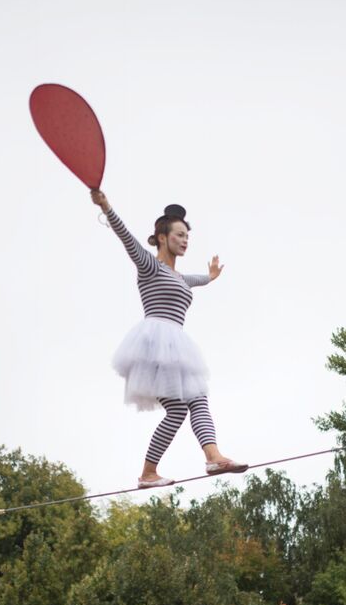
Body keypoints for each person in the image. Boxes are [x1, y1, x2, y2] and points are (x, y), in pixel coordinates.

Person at [90, 189, 244, 488]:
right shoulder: (150, 266)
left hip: (176, 345)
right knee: (181, 407)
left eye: (188, 236)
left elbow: (194, 281)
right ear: (162, 237)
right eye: (180, 234)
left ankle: (211, 457)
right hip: (155, 344)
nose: (185, 240)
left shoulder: (180, 278)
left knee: (194, 400)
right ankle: (151, 472)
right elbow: (127, 239)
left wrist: (210, 277)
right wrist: (107, 206)